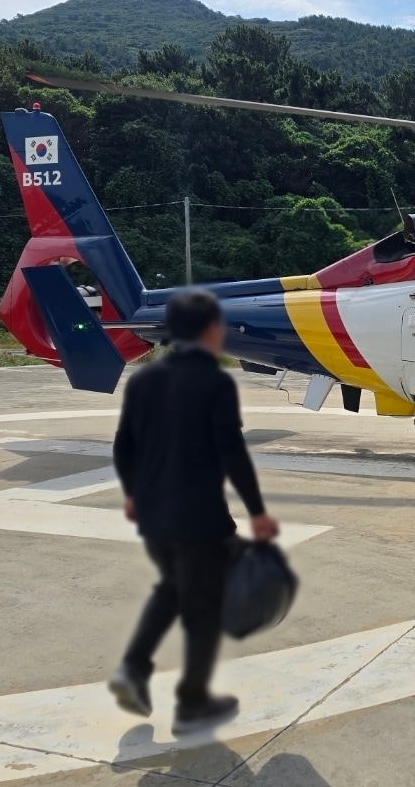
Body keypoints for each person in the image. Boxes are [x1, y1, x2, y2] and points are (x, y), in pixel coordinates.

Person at [109, 289, 279, 734]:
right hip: (199, 514)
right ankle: (192, 704)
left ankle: (133, 669)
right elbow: (231, 452)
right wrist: (257, 511)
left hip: (153, 510)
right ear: (208, 330)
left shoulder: (143, 380)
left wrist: (132, 494)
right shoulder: (214, 382)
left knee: (171, 588)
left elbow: (123, 445)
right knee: (202, 606)